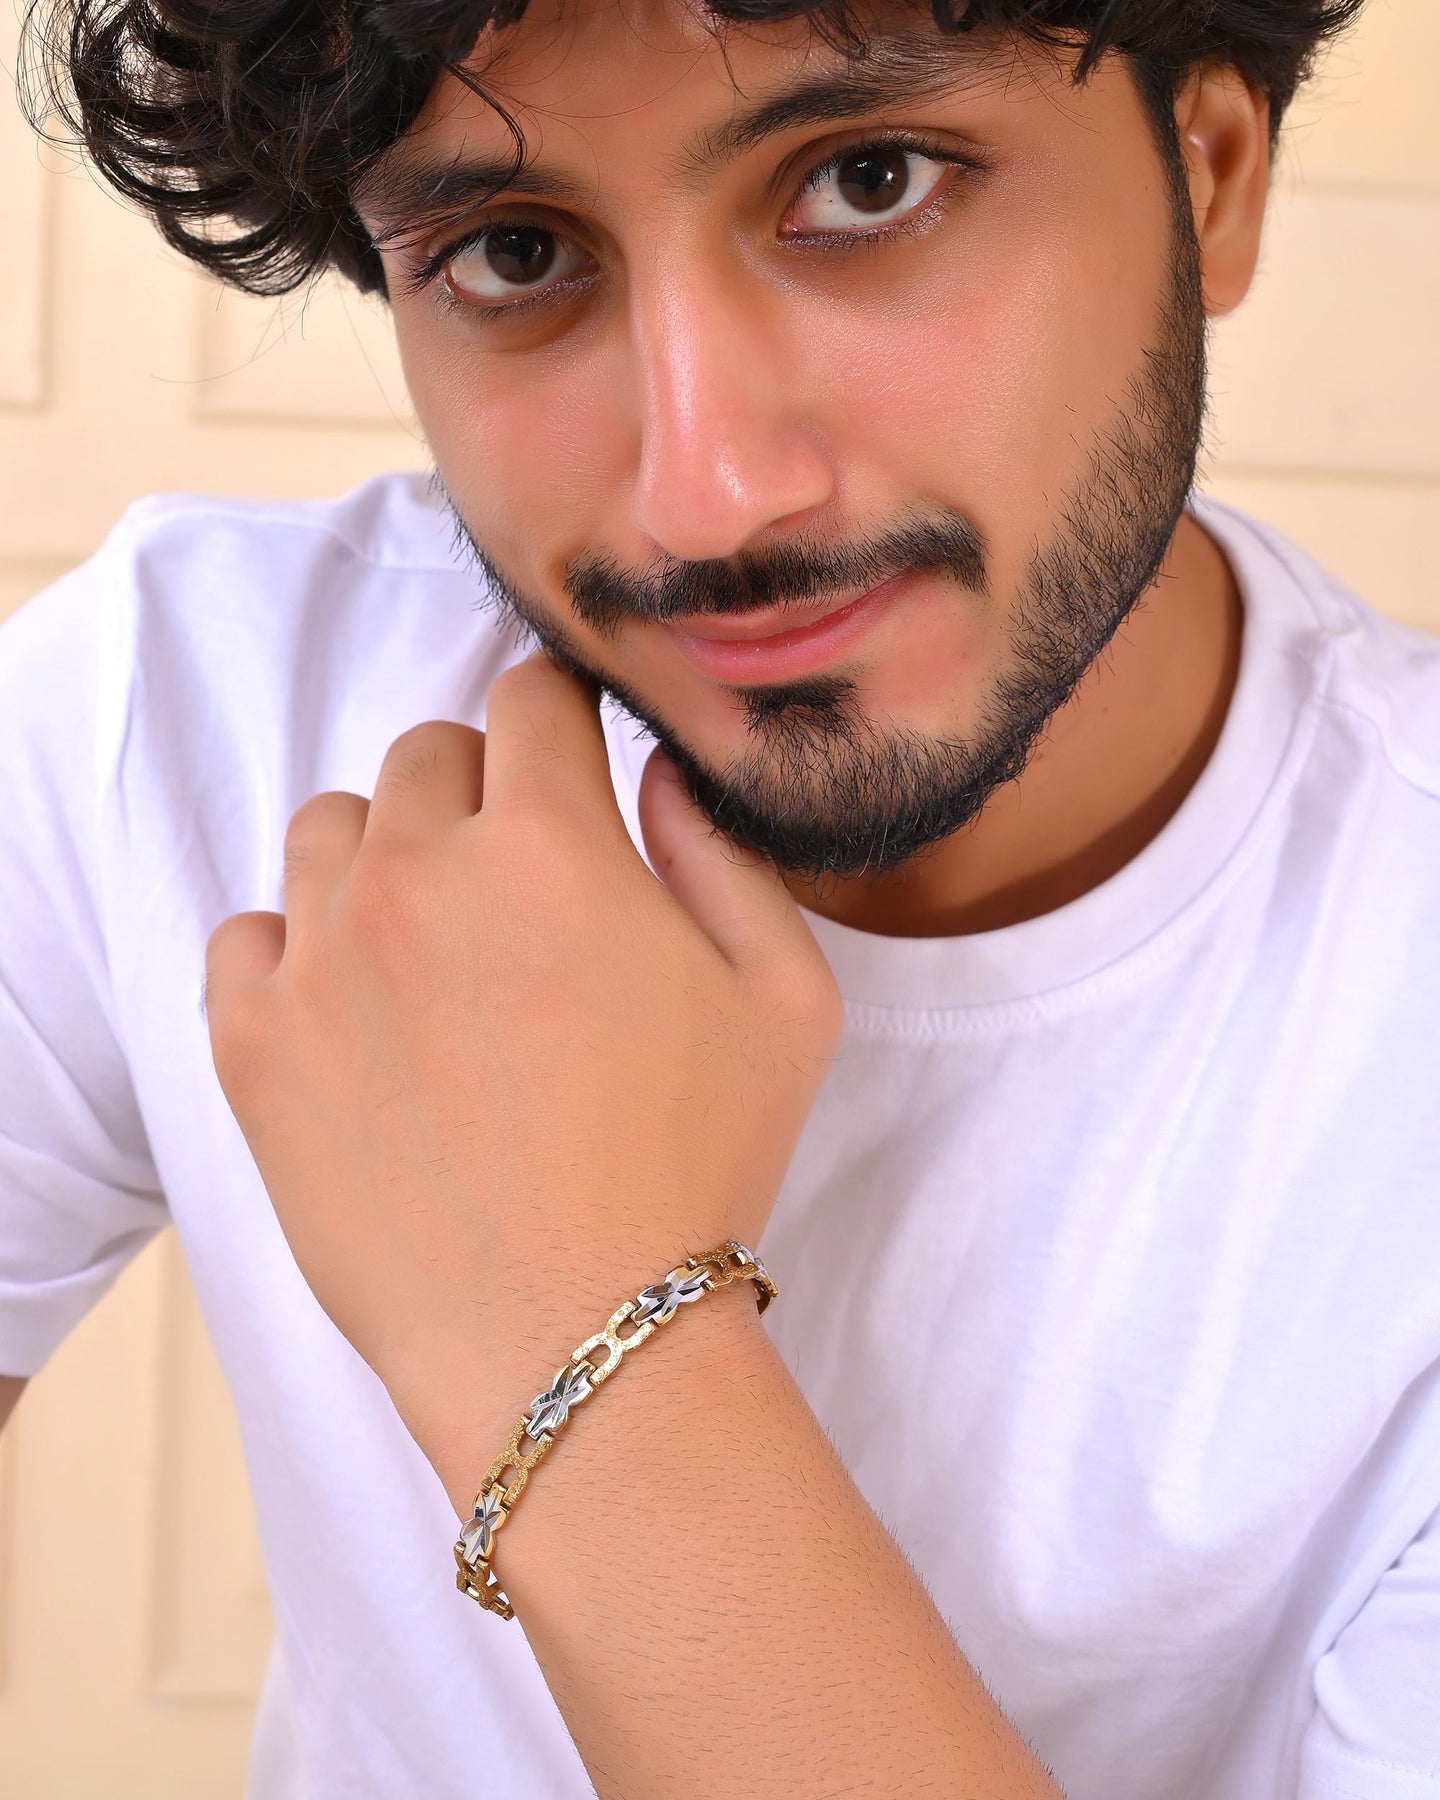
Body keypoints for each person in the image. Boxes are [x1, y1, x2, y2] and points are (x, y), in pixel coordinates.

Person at [3, 0, 1437, 1792]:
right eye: (516, 253)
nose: (707, 498)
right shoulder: (174, 707)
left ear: (1210, 175)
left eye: (870, 180)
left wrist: (580, 1318)